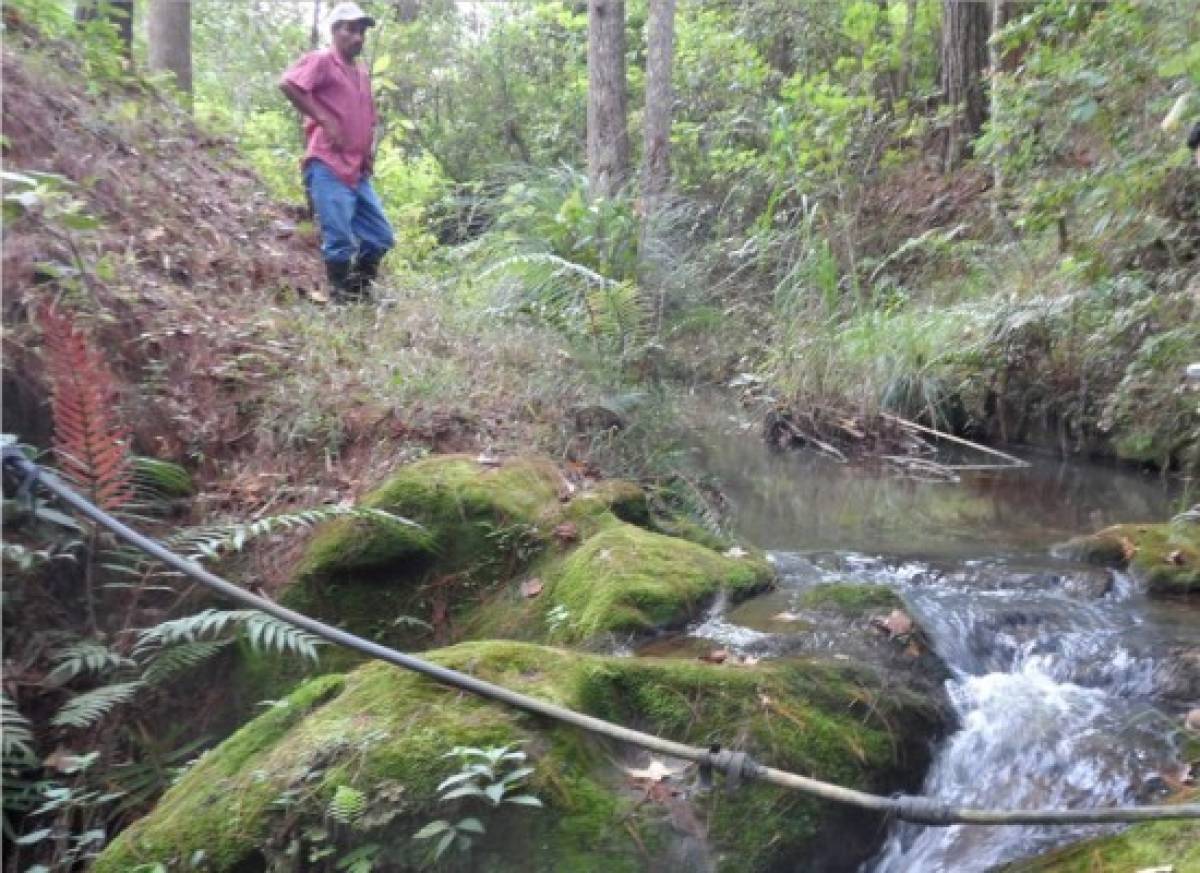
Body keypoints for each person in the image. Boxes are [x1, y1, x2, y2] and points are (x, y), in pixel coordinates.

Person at [280, 2, 394, 302]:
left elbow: (368, 115)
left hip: (357, 169)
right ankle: (340, 300)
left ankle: (359, 290)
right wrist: (324, 119)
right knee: (339, 238)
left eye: (361, 32)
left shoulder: (361, 73)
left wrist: (368, 152)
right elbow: (289, 84)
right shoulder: (322, 61)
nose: (358, 37)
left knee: (380, 236)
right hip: (328, 164)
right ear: (335, 31)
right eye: (351, 30)